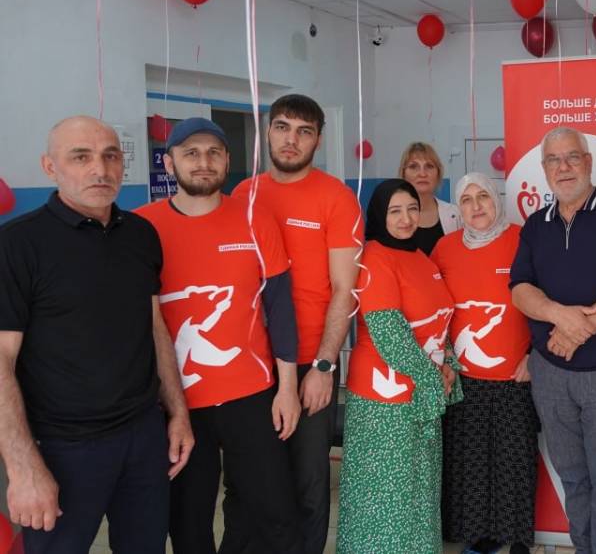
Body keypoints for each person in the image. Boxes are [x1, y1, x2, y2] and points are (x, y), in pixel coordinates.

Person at [0, 116, 192, 553]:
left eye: (110, 157)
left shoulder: (140, 234)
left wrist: (177, 412)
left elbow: (155, 328)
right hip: (62, 447)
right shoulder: (17, 245)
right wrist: (23, 467)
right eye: (80, 157)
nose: (100, 170)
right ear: (50, 167)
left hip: (143, 437)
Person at [135, 118, 303, 554]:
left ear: (228, 160)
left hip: (252, 394)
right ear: (169, 163)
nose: (203, 162)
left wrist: (287, 389)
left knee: (276, 515)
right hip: (176, 404)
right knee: (189, 523)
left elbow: (280, 309)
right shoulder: (140, 227)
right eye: (190, 153)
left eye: (213, 153)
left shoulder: (255, 219)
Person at [509, 127, 596, 554]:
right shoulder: (536, 225)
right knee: (573, 476)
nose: (564, 167)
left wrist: (575, 332)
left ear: (588, 162)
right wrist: (559, 315)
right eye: (554, 160)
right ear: (544, 169)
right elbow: (520, 289)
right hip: (551, 375)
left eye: (572, 156)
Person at [231, 94, 361, 554]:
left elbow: (344, 289)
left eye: (304, 131)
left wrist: (324, 366)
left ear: (318, 140)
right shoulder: (244, 194)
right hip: (251, 364)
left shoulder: (336, 198)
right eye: (283, 127)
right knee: (252, 479)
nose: (292, 139)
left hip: (310, 360)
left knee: (308, 480)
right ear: (267, 132)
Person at [337, 179, 460, 553]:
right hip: (384, 402)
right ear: (379, 215)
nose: (406, 218)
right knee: (384, 497)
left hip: (422, 395)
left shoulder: (422, 257)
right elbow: (389, 334)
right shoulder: (374, 258)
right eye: (395, 211)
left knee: (419, 492)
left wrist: (448, 363)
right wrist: (433, 377)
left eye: (412, 208)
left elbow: (441, 320)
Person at [433, 173, 537, 554]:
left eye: (483, 197)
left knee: (515, 464)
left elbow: (548, 297)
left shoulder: (523, 240)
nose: (476, 206)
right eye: (466, 199)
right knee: (472, 467)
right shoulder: (444, 249)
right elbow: (433, 309)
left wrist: (536, 356)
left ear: (497, 199)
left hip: (515, 377)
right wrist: (443, 358)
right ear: (458, 208)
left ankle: (519, 541)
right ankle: (479, 541)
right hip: (463, 379)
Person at [399, 142, 462, 254]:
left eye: (429, 166)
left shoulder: (456, 214)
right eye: (413, 167)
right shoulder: (391, 217)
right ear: (403, 174)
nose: (422, 174)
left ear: (438, 174)